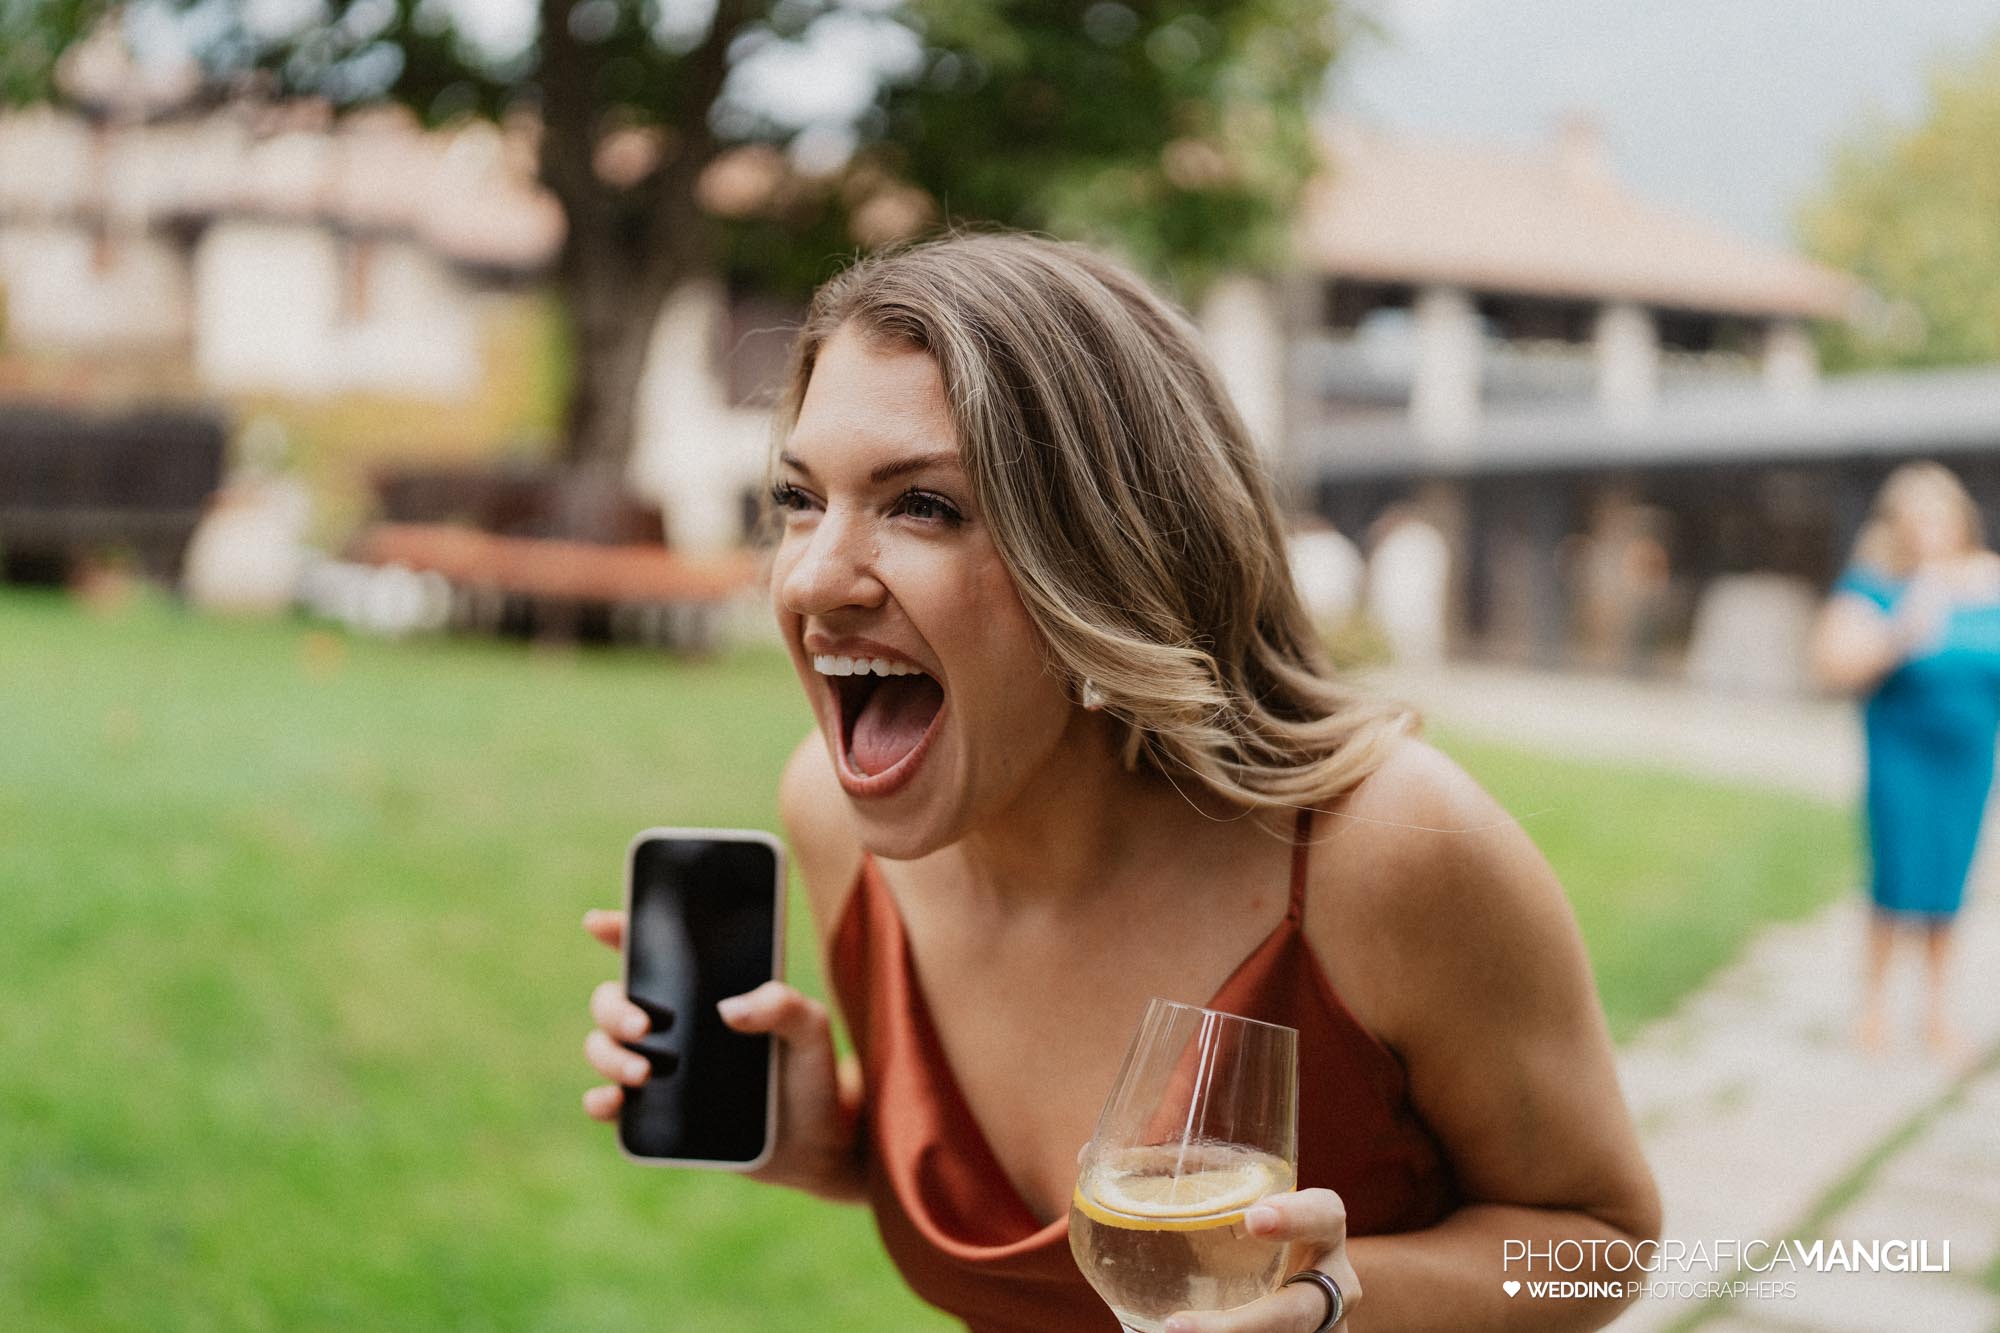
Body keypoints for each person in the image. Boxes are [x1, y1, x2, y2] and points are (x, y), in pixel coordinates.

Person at [581, 234, 1659, 1332]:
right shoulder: (832, 812)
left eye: (924, 506)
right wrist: (841, 1144)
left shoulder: (1392, 848)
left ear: (1106, 554)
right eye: (800, 498)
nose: (809, 577)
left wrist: (1338, 1300)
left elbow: (1605, 1253)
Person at [1810, 462, 2000, 1061]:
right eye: (1914, 519)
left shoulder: (1990, 581)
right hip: (1901, 752)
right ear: (1894, 526)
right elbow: (1833, 666)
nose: (1928, 531)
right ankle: (1873, 1007)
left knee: (1952, 877)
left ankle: (1938, 1010)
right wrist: (1900, 632)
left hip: (1969, 757)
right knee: (1895, 874)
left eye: (1938, 517)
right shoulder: (1876, 584)